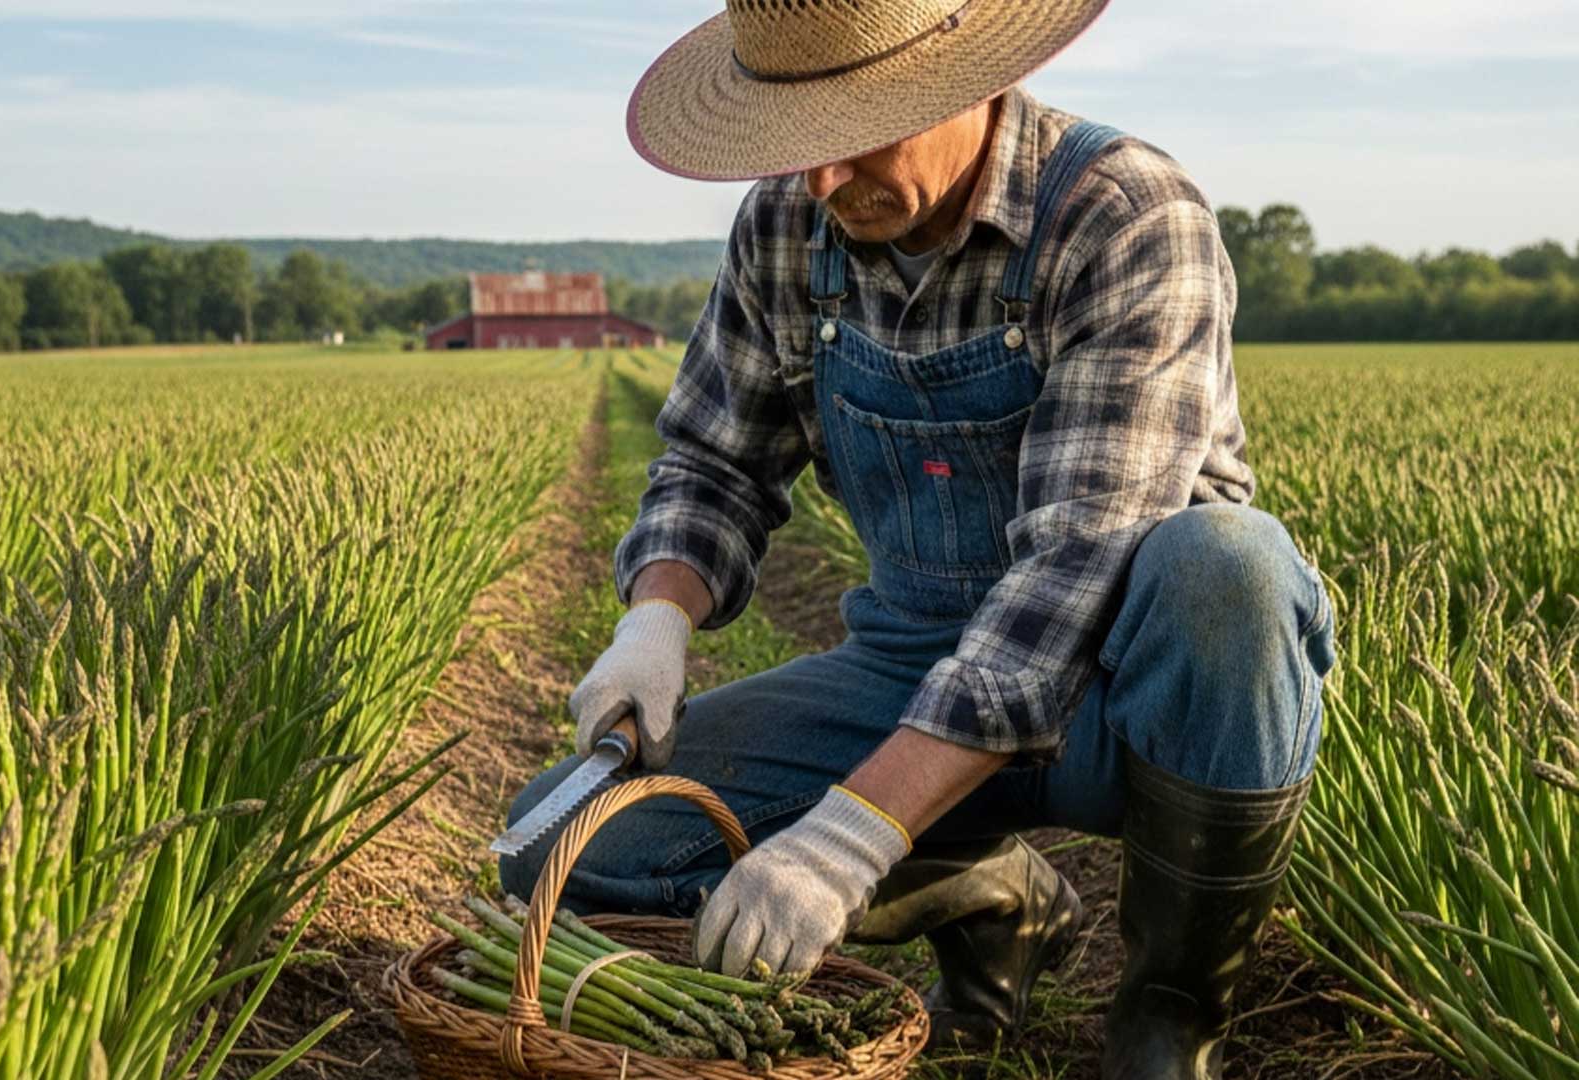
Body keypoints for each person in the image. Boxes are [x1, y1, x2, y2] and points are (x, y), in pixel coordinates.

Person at [500, 2, 1336, 1076]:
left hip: (1127, 692)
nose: (821, 180)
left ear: (962, 81)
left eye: (856, 129)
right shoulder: (787, 228)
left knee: (1232, 569)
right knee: (553, 854)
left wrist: (853, 830)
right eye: (794, 141)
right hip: (911, 663)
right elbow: (713, 463)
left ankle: (1168, 1020)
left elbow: (1079, 565)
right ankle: (989, 891)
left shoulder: (1124, 214)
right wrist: (655, 617)